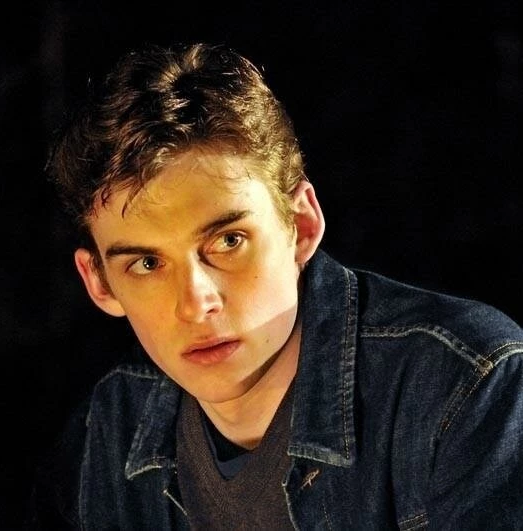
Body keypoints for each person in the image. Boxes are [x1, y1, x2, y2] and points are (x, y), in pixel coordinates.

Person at [26, 42, 523, 530]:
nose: (197, 303)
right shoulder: (109, 431)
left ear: (301, 226)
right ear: (100, 283)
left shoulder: (463, 386)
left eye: (228, 241)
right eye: (148, 263)